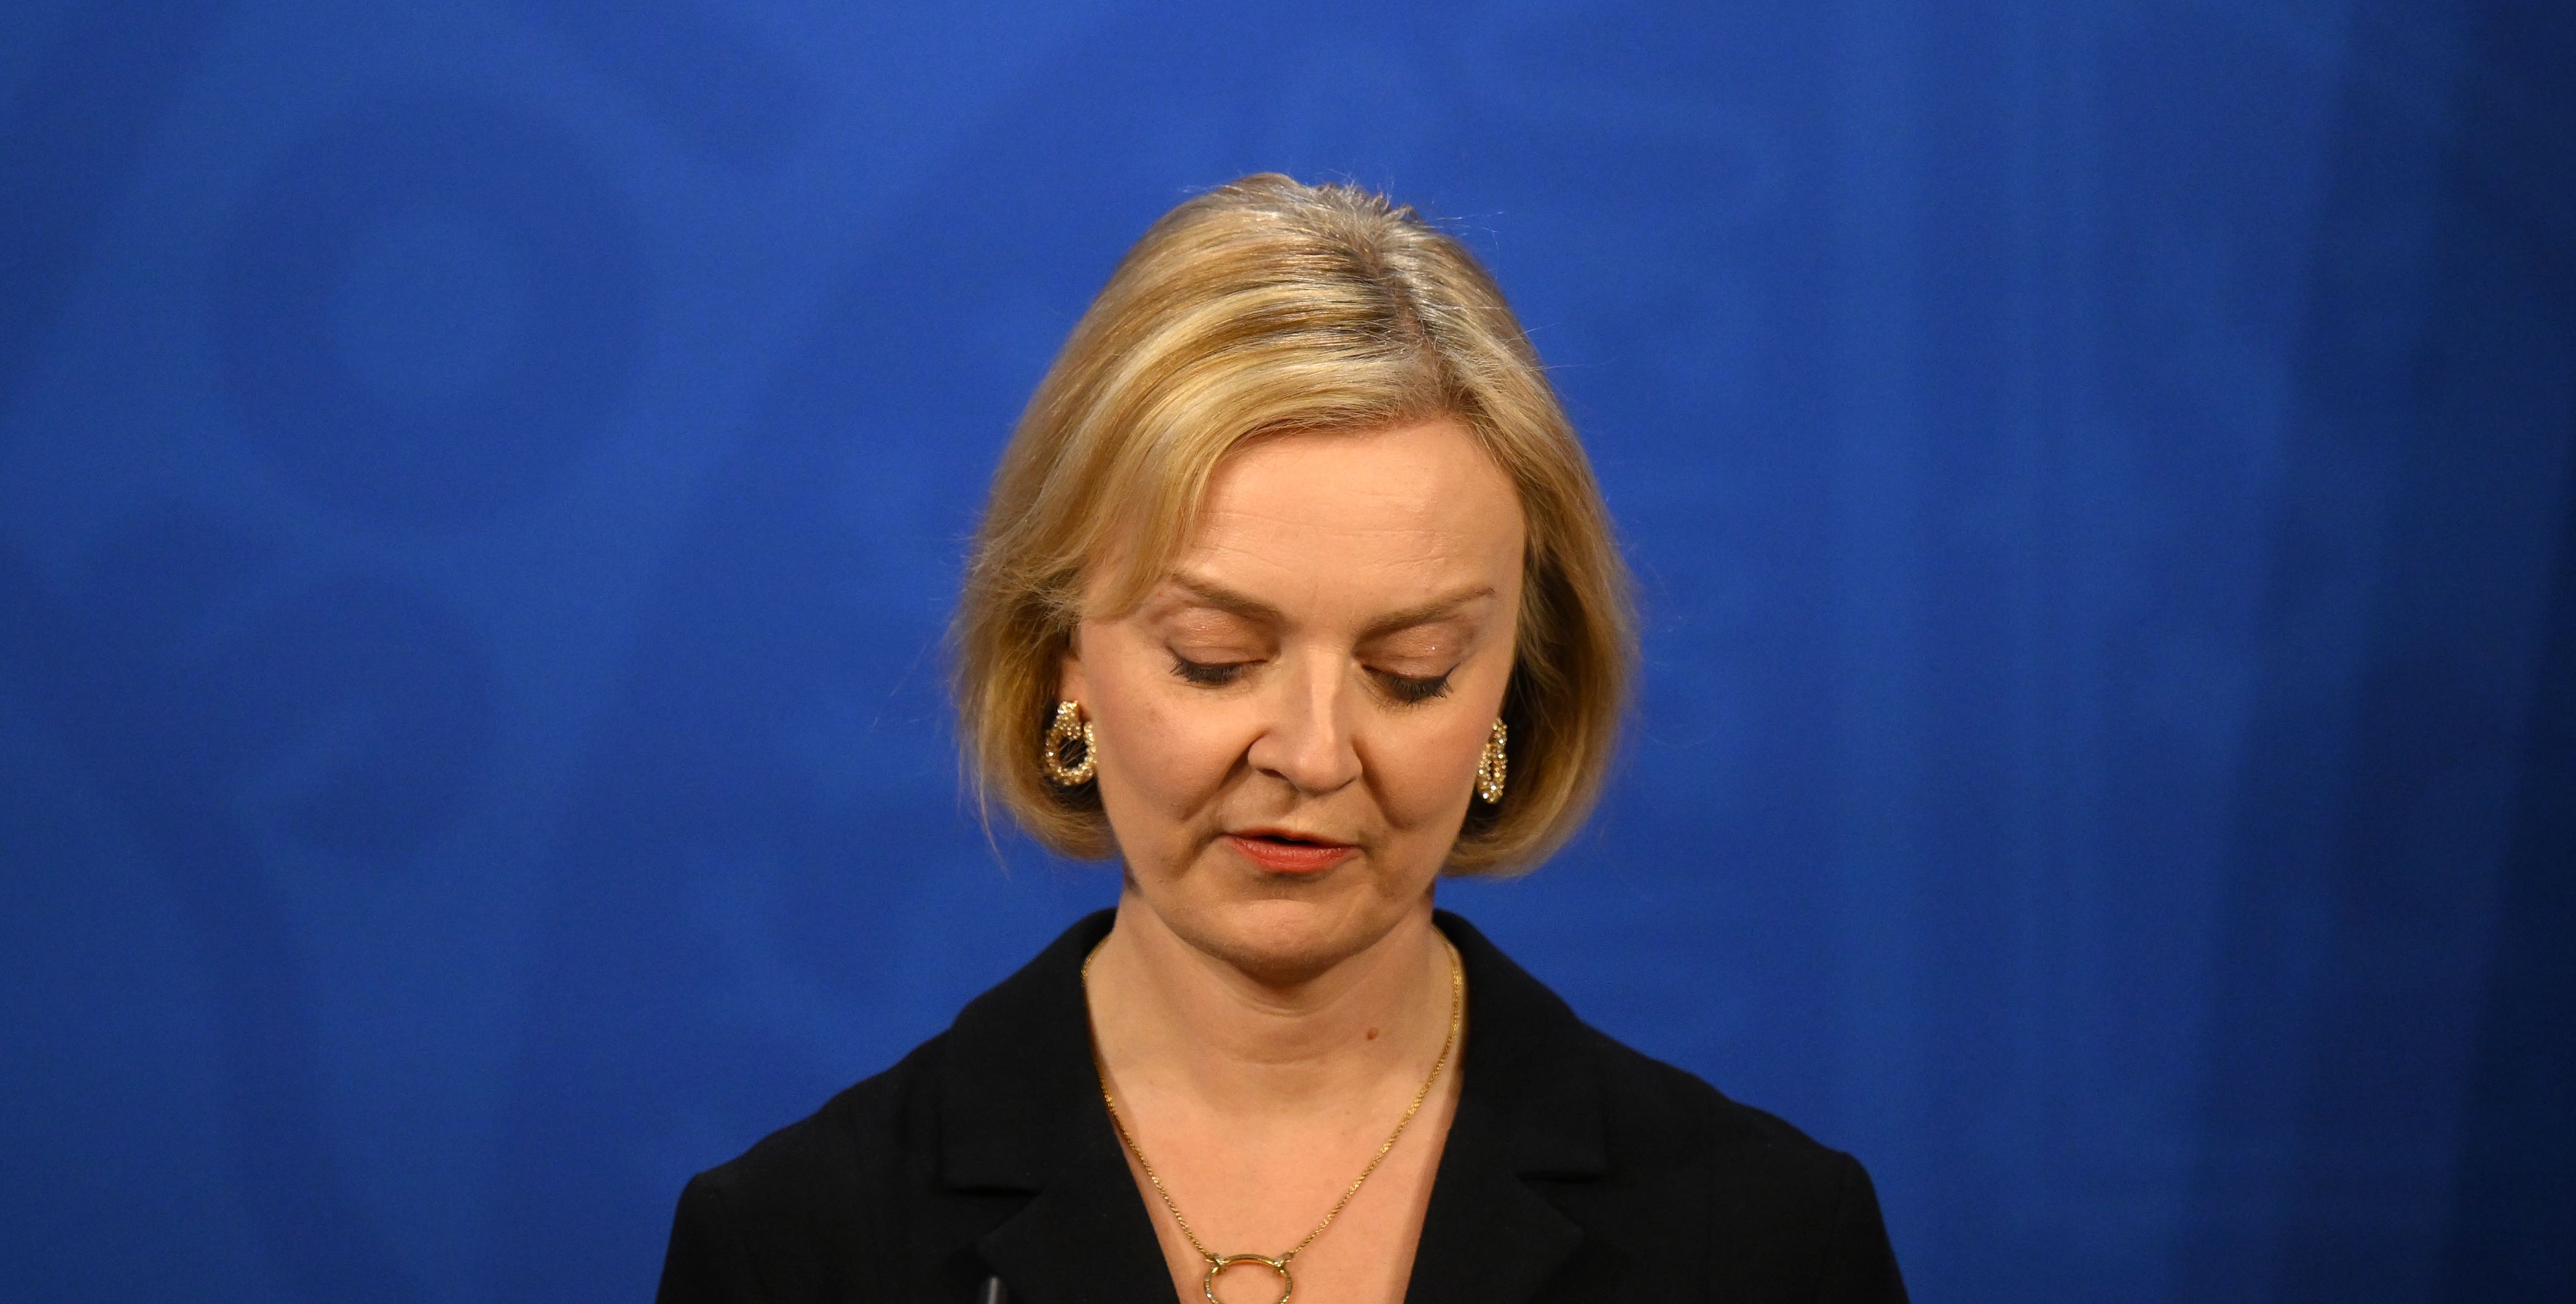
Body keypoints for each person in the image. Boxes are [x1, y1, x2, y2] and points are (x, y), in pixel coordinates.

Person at [655, 176, 1907, 1303]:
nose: (1312, 755)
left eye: (1409, 671)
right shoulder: (794, 1250)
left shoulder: (1766, 1245)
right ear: (1061, 663)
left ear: (1511, 695)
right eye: (1215, 657)